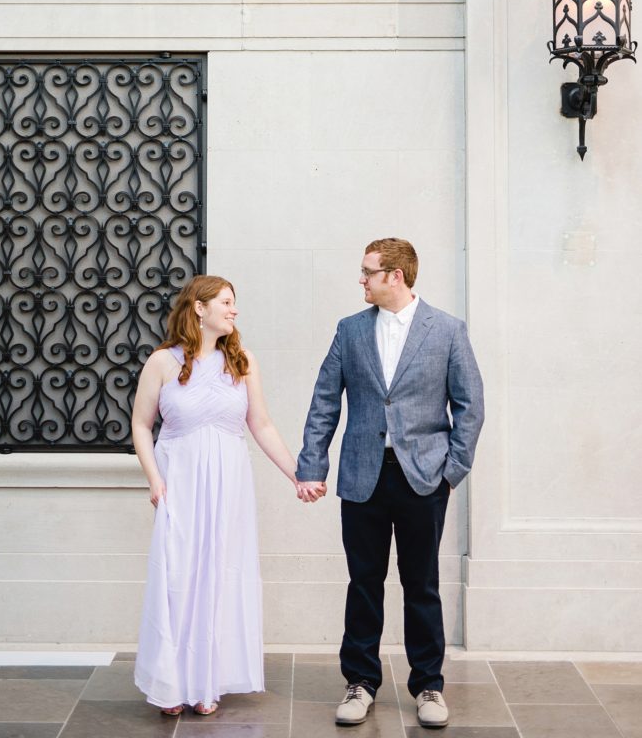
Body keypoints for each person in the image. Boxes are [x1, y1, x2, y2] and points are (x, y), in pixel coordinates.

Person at [296, 238, 484, 729]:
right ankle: (360, 681)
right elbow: (324, 402)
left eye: (368, 271)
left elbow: (470, 406)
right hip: (363, 476)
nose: (361, 279)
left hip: (424, 478)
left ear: (395, 276)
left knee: (421, 584)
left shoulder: (447, 330)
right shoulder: (350, 330)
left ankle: (428, 685)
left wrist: (452, 471)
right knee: (364, 584)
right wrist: (312, 465)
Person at [133, 275, 323, 716]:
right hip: (179, 482)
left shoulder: (243, 361)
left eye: (234, 302)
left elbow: (262, 425)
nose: (234, 309)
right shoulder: (162, 362)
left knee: (221, 574)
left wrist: (298, 475)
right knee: (178, 578)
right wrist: (154, 479)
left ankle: (207, 683)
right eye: (225, 301)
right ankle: (171, 683)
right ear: (199, 308)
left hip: (229, 485)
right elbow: (141, 425)